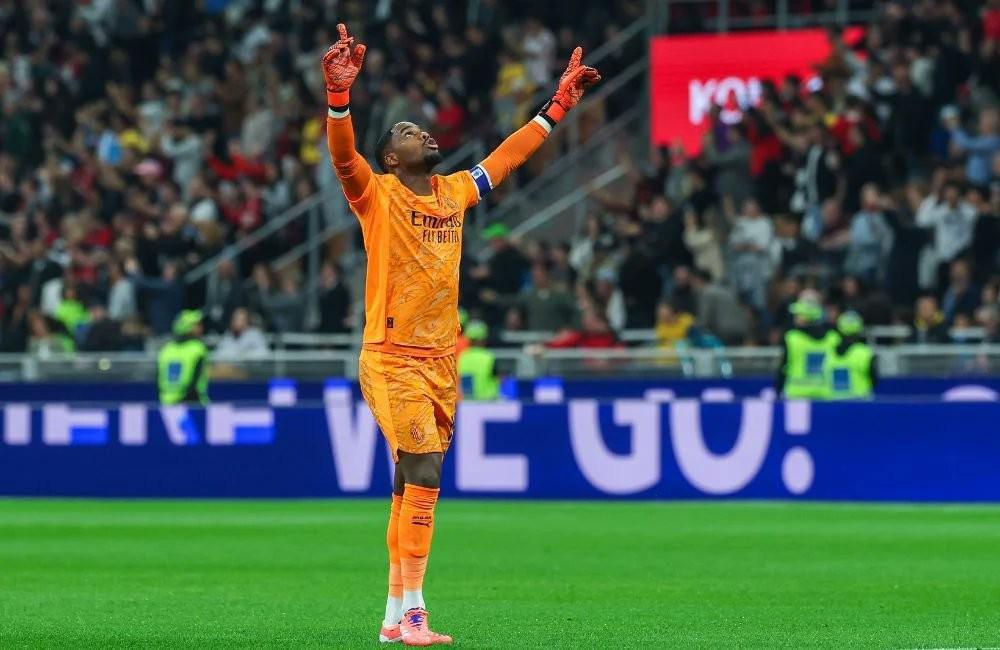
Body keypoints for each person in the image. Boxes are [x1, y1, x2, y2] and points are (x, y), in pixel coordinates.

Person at [322, 24, 599, 646]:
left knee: (408, 481)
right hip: (391, 358)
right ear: (392, 159)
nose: (420, 132)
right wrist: (338, 99)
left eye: (419, 127)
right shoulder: (376, 195)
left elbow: (506, 157)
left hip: (441, 358)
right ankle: (417, 613)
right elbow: (342, 157)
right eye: (405, 132)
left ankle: (392, 615)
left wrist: (557, 107)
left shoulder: (454, 193)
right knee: (425, 470)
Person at [776, 298, 841, 400]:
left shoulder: (792, 337)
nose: (795, 318)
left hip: (796, 393)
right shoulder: (833, 337)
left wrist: (778, 391)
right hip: (825, 393)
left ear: (805, 317)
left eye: (798, 315)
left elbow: (784, 367)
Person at [157, 310, 209, 406]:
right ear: (187, 327)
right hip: (193, 403)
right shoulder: (197, 348)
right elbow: (194, 382)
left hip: (166, 403)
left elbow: (159, 380)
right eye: (196, 325)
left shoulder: (166, 349)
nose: (201, 328)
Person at [827, 311, 876, 400]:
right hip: (861, 403)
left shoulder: (829, 350)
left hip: (834, 403)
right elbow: (874, 379)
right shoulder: (865, 352)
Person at [456, 320, 499, 401]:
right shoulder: (489, 357)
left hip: (468, 402)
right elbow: (498, 379)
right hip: (488, 402)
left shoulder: (462, 357)